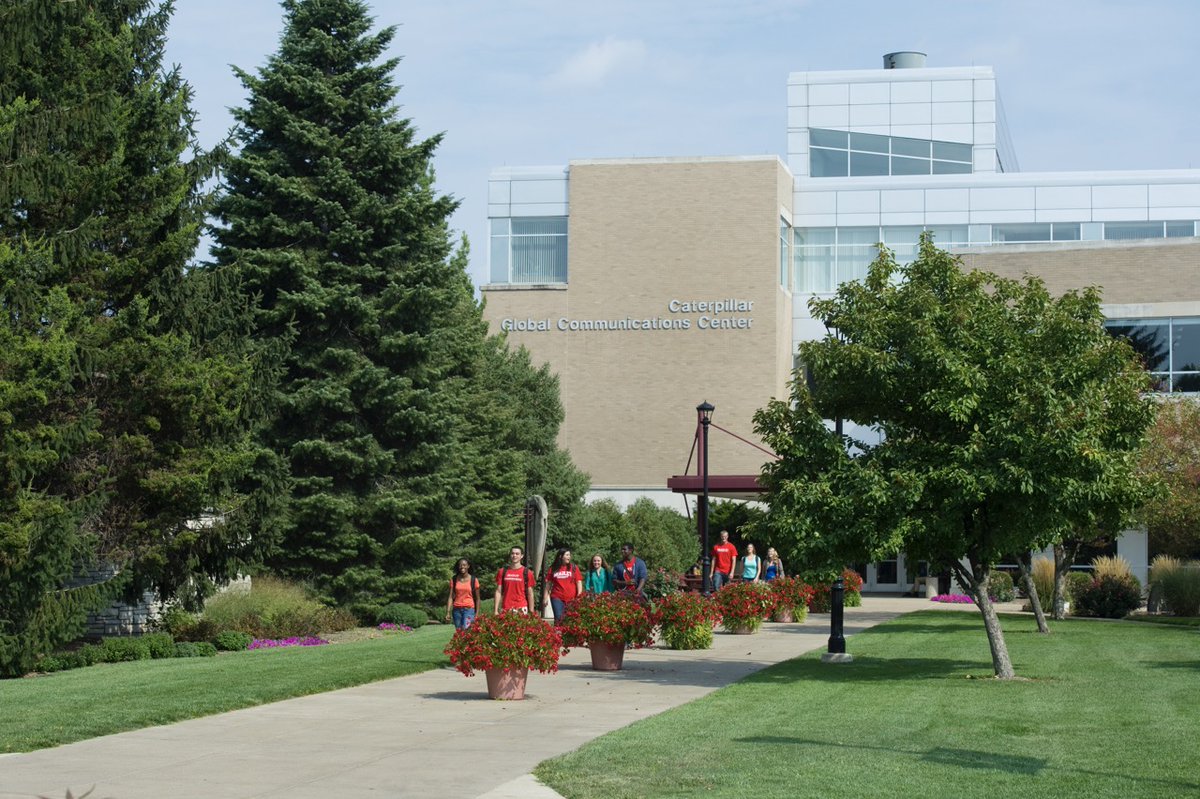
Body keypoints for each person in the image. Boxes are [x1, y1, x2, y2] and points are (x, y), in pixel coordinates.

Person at [542, 548, 583, 624]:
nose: (569, 557)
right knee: (558, 617)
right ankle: (558, 634)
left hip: (572, 598)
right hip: (557, 597)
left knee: (570, 618)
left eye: (569, 555)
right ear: (561, 556)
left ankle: (568, 635)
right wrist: (545, 598)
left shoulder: (573, 568)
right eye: (567, 555)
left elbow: (579, 582)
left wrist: (579, 595)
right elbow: (548, 584)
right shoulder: (553, 568)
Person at [494, 546, 536, 614]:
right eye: (512, 553)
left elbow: (530, 593)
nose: (514, 556)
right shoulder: (502, 571)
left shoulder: (527, 572)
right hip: (506, 607)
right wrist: (495, 610)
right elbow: (498, 591)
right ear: (510, 555)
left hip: (521, 608)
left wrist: (531, 611)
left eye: (517, 554)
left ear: (521, 556)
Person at [445, 558, 481, 629]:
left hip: (469, 609)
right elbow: (450, 597)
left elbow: (478, 599)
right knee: (459, 633)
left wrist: (476, 614)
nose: (462, 567)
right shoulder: (454, 579)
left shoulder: (474, 580)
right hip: (456, 610)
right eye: (460, 565)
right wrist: (448, 612)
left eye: (464, 565)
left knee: (466, 630)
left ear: (468, 566)